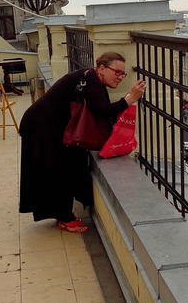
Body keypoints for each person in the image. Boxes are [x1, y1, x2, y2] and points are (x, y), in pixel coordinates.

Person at [19, 52, 146, 233]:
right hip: (40, 126)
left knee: (61, 166)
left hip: (46, 125)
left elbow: (101, 111)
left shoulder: (92, 79)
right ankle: (64, 217)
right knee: (56, 168)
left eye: (122, 74)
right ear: (101, 68)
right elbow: (103, 111)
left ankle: (62, 213)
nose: (119, 77)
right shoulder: (92, 79)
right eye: (116, 72)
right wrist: (130, 99)